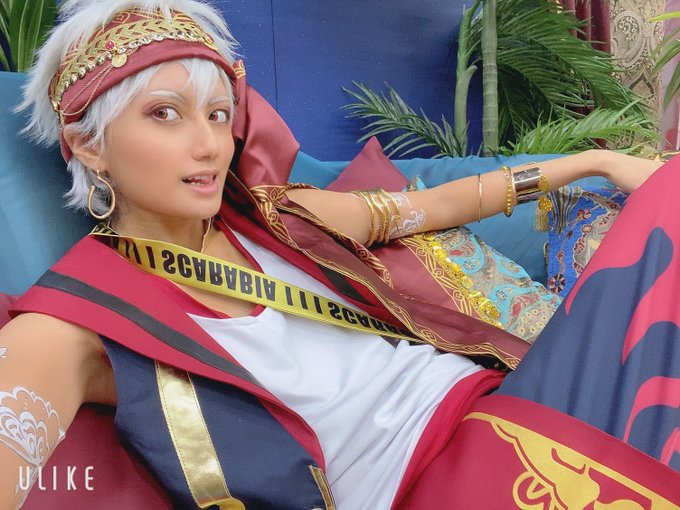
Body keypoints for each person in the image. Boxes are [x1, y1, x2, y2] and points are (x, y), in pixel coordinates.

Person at [0, 0, 677, 508]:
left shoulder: (279, 217)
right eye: (165, 114)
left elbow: (444, 204)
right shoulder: (75, 321)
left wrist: (594, 163)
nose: (207, 145)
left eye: (217, 114)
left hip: (501, 397)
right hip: (442, 481)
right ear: (87, 144)